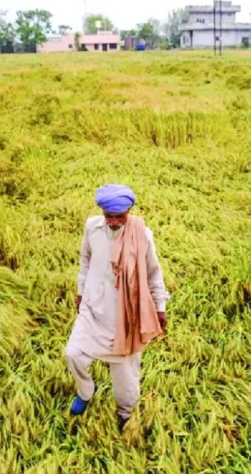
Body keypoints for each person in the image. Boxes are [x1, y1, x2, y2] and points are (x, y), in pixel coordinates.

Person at [65, 184, 170, 432]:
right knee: (73, 354)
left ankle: (125, 413)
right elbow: (85, 260)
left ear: (129, 211)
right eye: (108, 216)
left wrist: (160, 307)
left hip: (126, 314)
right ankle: (86, 391)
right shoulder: (92, 227)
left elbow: (154, 273)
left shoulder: (142, 235)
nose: (113, 221)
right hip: (93, 307)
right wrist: (80, 292)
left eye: (118, 216)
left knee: (125, 376)